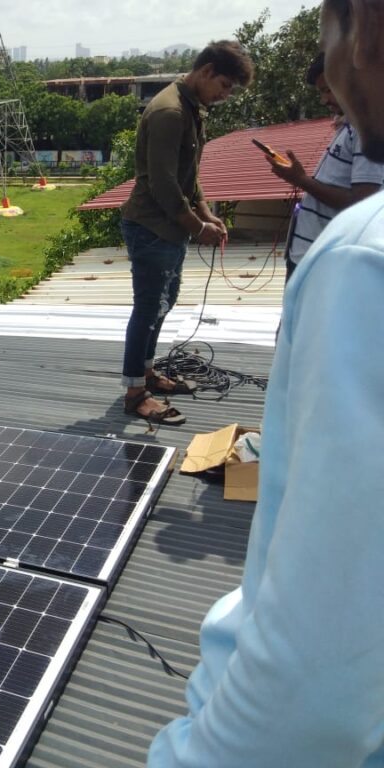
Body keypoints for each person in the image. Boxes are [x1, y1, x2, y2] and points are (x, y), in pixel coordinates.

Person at [149, 1, 384, 764]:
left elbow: (313, 675)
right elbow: (161, 183)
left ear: (366, 32)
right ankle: (136, 379)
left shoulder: (362, 261)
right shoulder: (167, 112)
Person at [120, 41, 254, 425]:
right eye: (225, 85)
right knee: (147, 309)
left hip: (170, 229)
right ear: (207, 70)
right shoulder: (169, 112)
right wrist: (198, 228)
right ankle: (134, 393)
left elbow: (188, 177)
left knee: (164, 303)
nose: (225, 96)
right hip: (150, 226)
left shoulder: (192, 108)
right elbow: (163, 184)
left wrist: (208, 216)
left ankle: (145, 373)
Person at [267, 51, 384, 281]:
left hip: (325, 264)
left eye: (328, 89)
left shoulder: (368, 129)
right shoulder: (351, 124)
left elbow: (362, 200)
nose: (324, 100)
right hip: (310, 257)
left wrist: (302, 181)